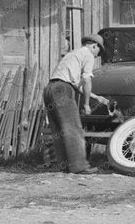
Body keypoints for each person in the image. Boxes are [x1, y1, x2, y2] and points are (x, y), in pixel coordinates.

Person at [43, 32, 107, 174]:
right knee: (74, 128)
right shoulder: (88, 55)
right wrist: (86, 104)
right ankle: (79, 166)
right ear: (94, 46)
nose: (97, 56)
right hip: (62, 90)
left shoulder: (73, 54)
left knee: (59, 130)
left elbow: (74, 84)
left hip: (50, 89)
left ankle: (63, 166)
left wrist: (97, 97)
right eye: (98, 52)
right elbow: (87, 80)